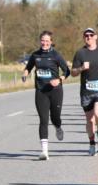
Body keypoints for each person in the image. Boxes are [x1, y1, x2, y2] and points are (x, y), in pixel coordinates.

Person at [22, 30, 70, 160]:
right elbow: (29, 67)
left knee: (55, 118)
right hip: (41, 91)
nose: (44, 43)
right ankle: (44, 151)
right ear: (40, 41)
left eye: (47, 41)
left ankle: (58, 127)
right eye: (43, 40)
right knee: (43, 120)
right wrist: (25, 73)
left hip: (55, 91)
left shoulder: (56, 55)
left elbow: (67, 71)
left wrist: (59, 80)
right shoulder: (35, 55)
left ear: (51, 42)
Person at [71, 27, 98, 155]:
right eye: (86, 35)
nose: (88, 37)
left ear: (96, 36)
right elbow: (73, 72)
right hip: (86, 91)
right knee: (89, 120)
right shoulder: (80, 53)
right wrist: (81, 68)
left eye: (91, 35)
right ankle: (91, 143)